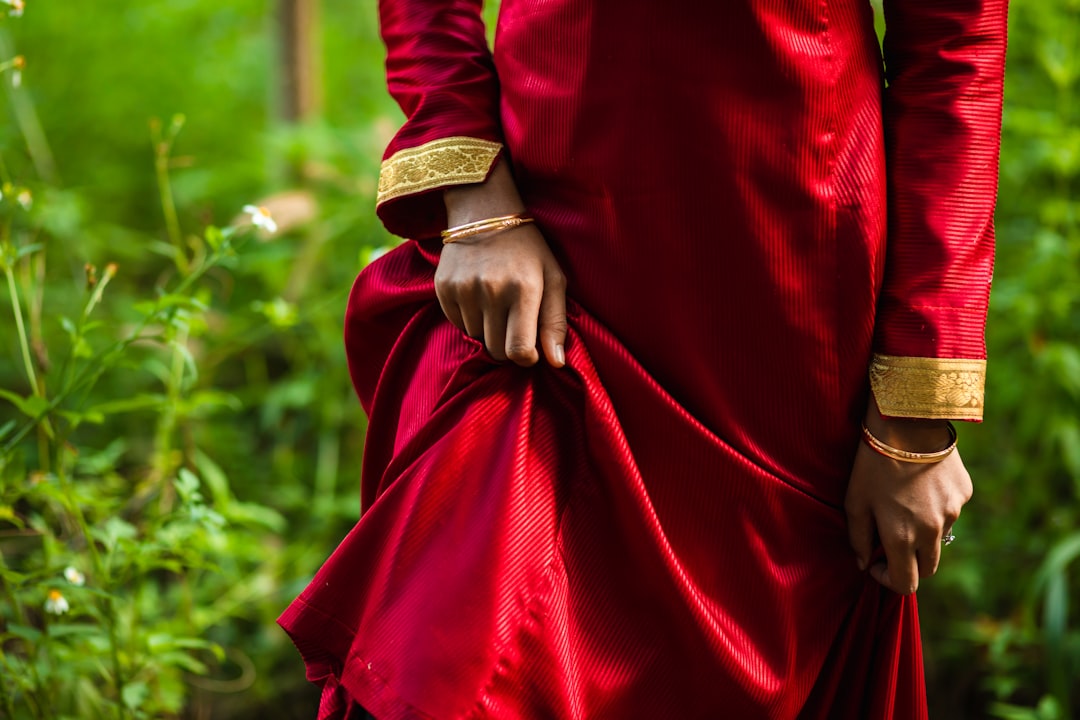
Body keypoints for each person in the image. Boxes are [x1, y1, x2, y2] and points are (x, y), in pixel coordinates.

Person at [279, 0, 1009, 717]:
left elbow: (955, 52)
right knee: (453, 662)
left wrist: (915, 410)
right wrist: (473, 197)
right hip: (539, 280)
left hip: (782, 320)